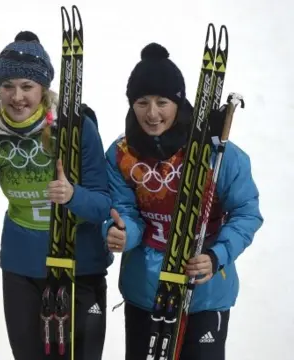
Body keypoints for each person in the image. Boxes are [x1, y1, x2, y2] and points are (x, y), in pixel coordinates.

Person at [0, 31, 113, 360]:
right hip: (22, 267)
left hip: (80, 263)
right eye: (8, 86)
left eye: (27, 86)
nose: (17, 96)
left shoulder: (77, 127)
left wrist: (72, 196)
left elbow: (102, 205)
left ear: (43, 89)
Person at [102, 43, 263, 359]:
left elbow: (246, 211)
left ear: (178, 102)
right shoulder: (121, 154)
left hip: (204, 292)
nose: (152, 113)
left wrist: (216, 256)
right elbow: (124, 211)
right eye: (141, 102)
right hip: (144, 290)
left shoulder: (218, 155)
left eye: (162, 102)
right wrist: (123, 232)